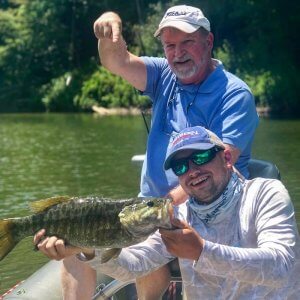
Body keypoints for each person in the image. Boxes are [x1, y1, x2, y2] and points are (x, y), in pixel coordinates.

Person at [37, 5, 259, 299]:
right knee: (74, 247)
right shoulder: (163, 75)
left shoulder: (234, 95)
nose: (177, 53)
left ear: (208, 41)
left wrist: (154, 212)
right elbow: (117, 61)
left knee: (143, 240)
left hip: (206, 211)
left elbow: (216, 167)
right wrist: (109, 27)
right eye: (170, 45)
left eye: (187, 42)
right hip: (149, 207)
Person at [35, 125, 300, 299]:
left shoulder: (266, 193)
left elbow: (281, 265)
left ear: (227, 158)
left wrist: (201, 251)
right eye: (181, 166)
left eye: (199, 158)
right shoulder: (177, 217)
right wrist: (87, 250)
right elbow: (134, 266)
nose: (192, 170)